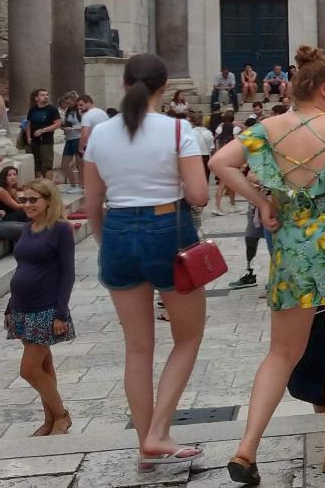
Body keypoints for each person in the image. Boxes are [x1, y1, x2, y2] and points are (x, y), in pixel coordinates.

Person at [210, 47, 325, 482]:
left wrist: (262, 202)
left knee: (281, 352)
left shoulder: (268, 128)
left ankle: (247, 448)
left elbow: (220, 163)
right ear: (324, 88)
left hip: (292, 250)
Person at [82, 53, 208, 470]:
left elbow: (92, 203)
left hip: (118, 229)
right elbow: (198, 195)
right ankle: (159, 433)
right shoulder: (177, 130)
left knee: (137, 348)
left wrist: (105, 240)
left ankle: (145, 446)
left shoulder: (100, 134)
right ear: (165, 86)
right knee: (186, 338)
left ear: (124, 84)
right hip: (167, 228)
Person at [3, 177, 75, 436]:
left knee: (29, 370)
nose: (27, 204)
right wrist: (10, 307)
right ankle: (50, 420)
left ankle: (62, 415)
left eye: (33, 200)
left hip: (46, 308)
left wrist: (61, 312)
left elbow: (68, 273)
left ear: (48, 200)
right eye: (23, 199)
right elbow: (21, 267)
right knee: (44, 367)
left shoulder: (61, 230)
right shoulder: (27, 228)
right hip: (22, 306)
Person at [25, 89, 62, 181]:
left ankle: (48, 185)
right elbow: (28, 124)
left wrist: (43, 130)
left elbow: (58, 124)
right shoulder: (32, 110)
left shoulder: (52, 109)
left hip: (46, 141)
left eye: (47, 95)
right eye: (42, 95)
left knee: (47, 166)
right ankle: (38, 185)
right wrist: (28, 137)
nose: (46, 97)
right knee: (36, 165)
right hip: (34, 141)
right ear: (36, 98)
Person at [59, 92, 83, 187]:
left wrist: (72, 128)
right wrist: (62, 126)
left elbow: (84, 125)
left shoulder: (80, 110)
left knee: (79, 163)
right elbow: (66, 123)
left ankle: (82, 184)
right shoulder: (68, 110)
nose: (67, 104)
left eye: (68, 102)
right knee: (64, 164)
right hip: (69, 138)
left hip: (78, 137)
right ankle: (73, 184)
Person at [77, 95, 107, 159]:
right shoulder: (102, 112)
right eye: (78, 105)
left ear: (88, 103)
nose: (79, 107)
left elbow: (85, 134)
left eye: (81, 105)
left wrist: (80, 148)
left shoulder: (86, 116)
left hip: (92, 147)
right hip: (105, 146)